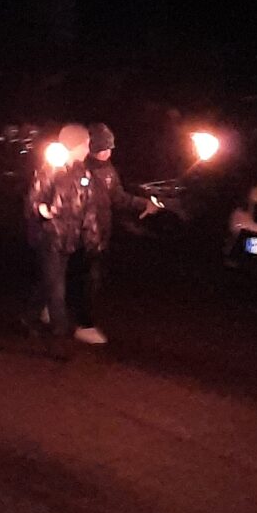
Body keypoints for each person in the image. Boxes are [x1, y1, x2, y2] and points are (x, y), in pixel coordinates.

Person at [76, 121, 157, 346]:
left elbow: (118, 198)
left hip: (100, 235)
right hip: (79, 235)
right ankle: (82, 324)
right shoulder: (79, 169)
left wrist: (143, 204)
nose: (109, 152)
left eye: (110, 147)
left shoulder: (109, 170)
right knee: (83, 279)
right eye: (104, 148)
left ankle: (60, 312)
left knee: (89, 279)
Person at [24, 123, 98, 351]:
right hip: (49, 236)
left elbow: (88, 206)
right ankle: (60, 335)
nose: (88, 148)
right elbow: (34, 199)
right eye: (85, 144)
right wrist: (42, 210)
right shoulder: (52, 168)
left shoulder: (83, 172)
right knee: (57, 287)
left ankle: (29, 317)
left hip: (68, 238)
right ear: (75, 145)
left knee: (49, 281)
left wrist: (91, 235)